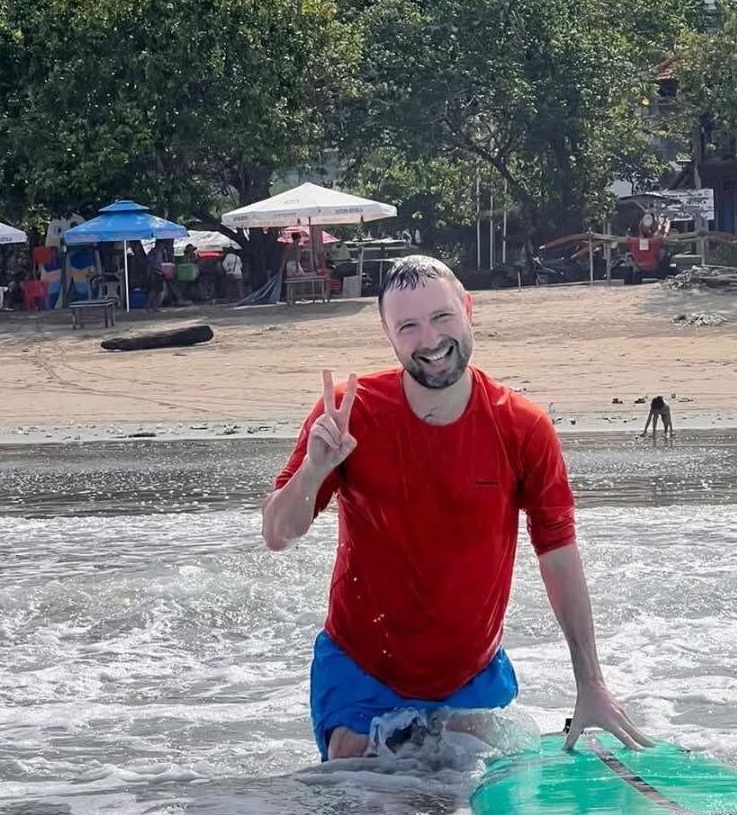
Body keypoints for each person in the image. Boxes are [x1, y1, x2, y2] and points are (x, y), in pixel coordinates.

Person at [262, 255, 652, 762]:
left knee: (473, 792)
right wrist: (315, 469)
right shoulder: (348, 414)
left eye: (442, 317)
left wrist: (591, 683)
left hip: (472, 672)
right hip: (362, 667)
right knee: (358, 778)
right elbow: (277, 533)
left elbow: (558, 553)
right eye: (409, 326)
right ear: (389, 335)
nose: (430, 340)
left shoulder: (523, 427)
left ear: (468, 310)